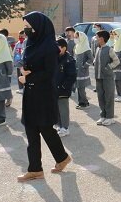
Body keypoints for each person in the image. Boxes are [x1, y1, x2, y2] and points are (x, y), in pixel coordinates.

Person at [18, 11, 71, 182]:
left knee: (45, 128)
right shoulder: (31, 42)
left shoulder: (49, 47)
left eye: (28, 27)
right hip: (30, 92)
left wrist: (28, 77)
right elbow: (27, 62)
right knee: (31, 129)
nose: (26, 30)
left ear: (38, 27)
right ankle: (35, 169)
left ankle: (62, 158)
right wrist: (23, 70)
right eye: (25, 27)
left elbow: (49, 73)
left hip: (43, 93)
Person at [94, 30, 120, 126]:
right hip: (98, 77)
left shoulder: (109, 49)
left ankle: (110, 117)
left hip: (107, 77)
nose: (96, 39)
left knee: (108, 97)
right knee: (100, 97)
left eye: (97, 37)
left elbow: (116, 61)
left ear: (102, 38)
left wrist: (108, 67)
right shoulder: (98, 49)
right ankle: (103, 116)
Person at [56, 38, 77, 137]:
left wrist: (64, 86)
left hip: (63, 89)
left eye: (58, 47)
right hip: (55, 88)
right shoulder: (54, 57)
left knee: (63, 108)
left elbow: (72, 76)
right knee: (56, 108)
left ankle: (65, 127)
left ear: (64, 48)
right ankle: (59, 125)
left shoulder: (69, 59)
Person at [74, 31, 93, 109]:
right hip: (77, 71)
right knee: (78, 87)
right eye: (75, 37)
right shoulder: (77, 47)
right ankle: (81, 103)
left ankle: (85, 103)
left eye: (77, 37)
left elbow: (91, 59)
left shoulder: (86, 48)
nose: (75, 39)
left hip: (83, 72)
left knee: (81, 88)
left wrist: (84, 66)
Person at [13, 30, 27, 94]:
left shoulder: (26, 42)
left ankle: (24, 88)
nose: (20, 37)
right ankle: (20, 88)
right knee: (19, 75)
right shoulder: (17, 44)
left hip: (24, 62)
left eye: (22, 36)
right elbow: (14, 52)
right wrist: (14, 61)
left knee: (23, 75)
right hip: (18, 61)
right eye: (19, 36)